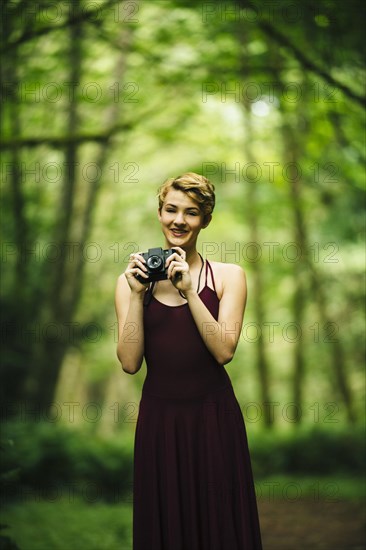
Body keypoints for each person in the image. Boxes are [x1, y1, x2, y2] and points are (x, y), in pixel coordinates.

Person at [115, 172, 262, 549]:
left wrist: (189, 292)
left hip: (214, 418)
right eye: (171, 209)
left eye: (191, 212)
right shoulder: (131, 282)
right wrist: (135, 296)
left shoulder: (229, 276)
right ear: (160, 213)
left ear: (205, 220)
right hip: (159, 422)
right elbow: (130, 362)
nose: (179, 220)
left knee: (220, 528)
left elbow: (224, 351)